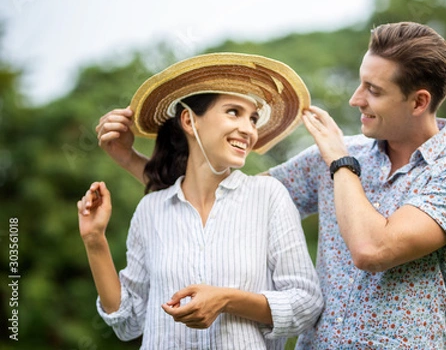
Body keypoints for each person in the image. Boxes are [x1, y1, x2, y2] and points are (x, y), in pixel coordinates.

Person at [96, 22, 446, 349]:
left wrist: (340, 163)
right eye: (361, 83)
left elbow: (373, 249)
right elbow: (228, 199)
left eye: (373, 91)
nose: (356, 99)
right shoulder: (340, 151)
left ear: (418, 102)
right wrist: (131, 160)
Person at [78, 53, 323, 349]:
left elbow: (306, 303)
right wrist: (94, 240)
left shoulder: (268, 196)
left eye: (253, 118)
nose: (249, 129)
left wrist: (226, 300)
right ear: (189, 121)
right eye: (234, 112)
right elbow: (129, 322)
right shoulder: (151, 209)